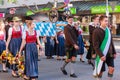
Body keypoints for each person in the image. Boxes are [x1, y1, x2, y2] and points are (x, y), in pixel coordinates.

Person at [92, 15, 116, 80]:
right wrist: (101, 55)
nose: (107, 22)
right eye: (105, 21)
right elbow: (95, 45)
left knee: (112, 68)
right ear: (100, 21)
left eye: (107, 21)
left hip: (109, 54)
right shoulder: (96, 31)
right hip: (101, 54)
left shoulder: (108, 30)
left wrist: (114, 52)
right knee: (100, 71)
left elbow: (111, 42)